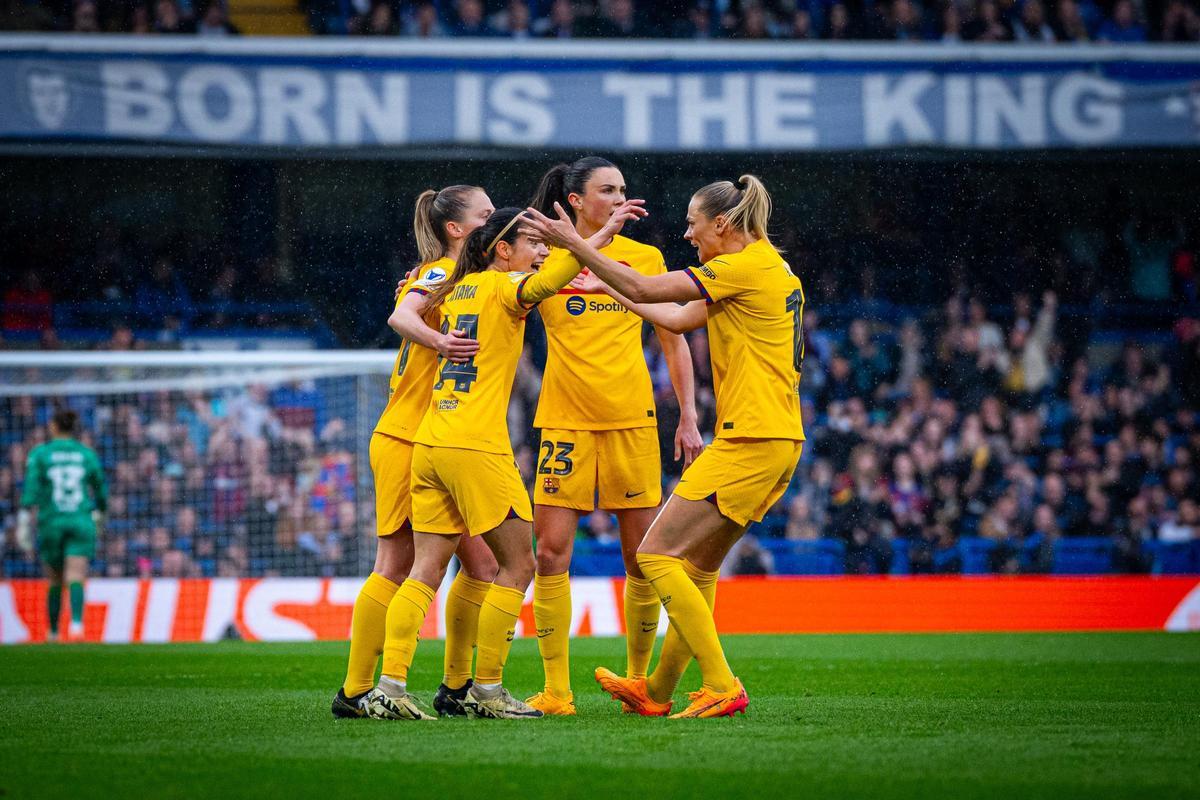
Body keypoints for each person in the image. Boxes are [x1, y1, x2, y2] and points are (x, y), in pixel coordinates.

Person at [523, 174, 805, 718]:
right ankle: (655, 692)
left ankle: (722, 683)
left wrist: (578, 246)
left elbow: (655, 290)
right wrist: (611, 290)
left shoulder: (739, 266)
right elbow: (674, 317)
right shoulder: (771, 269)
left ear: (722, 224)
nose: (689, 234)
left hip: (750, 438)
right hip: (778, 437)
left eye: (694, 224)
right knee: (697, 570)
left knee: (654, 554)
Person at [364, 202, 642, 720]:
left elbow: (411, 305)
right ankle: (487, 689)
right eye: (531, 243)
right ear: (501, 250)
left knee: (424, 570)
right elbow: (556, 274)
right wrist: (596, 234)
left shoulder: (453, 286)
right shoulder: (503, 289)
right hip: (475, 446)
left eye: (542, 244)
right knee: (518, 565)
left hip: (430, 442)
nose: (541, 251)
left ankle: (391, 685)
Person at [523, 157, 703, 716]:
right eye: (608, 189)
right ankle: (556, 691)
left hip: (632, 421)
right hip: (564, 421)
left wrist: (691, 416)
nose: (622, 197)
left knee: (642, 558)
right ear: (576, 200)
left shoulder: (644, 259)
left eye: (623, 188)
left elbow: (674, 340)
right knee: (550, 555)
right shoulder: (543, 256)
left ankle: (637, 684)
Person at [332, 185, 501, 719]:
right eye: (487, 215)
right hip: (409, 436)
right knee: (397, 564)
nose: (496, 222)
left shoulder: (470, 279)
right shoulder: (439, 271)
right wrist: (442, 342)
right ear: (457, 229)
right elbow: (402, 317)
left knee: (484, 562)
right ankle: (357, 691)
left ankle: (456, 687)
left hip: (436, 438)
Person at [17, 410, 108, 642]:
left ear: (54, 426)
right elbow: (100, 488)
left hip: (52, 521)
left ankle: (54, 631)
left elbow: (31, 488)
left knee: (55, 579)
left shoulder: (41, 454)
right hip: (80, 519)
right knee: (76, 574)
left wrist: (25, 517)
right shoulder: (86, 454)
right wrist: (100, 511)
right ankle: (77, 626)